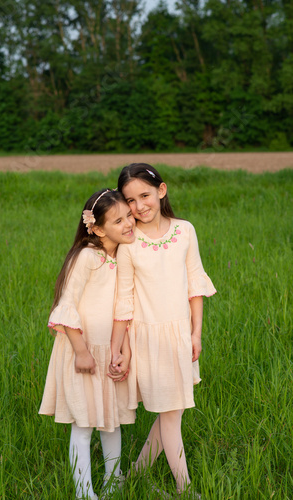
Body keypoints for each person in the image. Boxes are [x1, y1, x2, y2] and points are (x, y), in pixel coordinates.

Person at [110, 164, 216, 497]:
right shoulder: (128, 243)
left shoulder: (185, 230)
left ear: (161, 190)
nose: (139, 206)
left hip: (180, 335)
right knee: (172, 415)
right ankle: (185, 489)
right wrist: (123, 349)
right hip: (148, 338)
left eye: (144, 195)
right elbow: (124, 299)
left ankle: (134, 476)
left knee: (173, 411)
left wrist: (195, 334)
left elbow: (194, 285)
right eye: (130, 200)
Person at [39, 189, 136, 500]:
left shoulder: (121, 256)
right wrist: (81, 352)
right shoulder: (87, 257)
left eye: (129, 216)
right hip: (82, 351)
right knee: (83, 424)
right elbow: (66, 307)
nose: (128, 223)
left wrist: (119, 350)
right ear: (96, 228)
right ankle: (85, 493)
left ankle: (114, 480)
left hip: (108, 352)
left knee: (111, 420)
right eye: (118, 220)